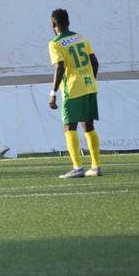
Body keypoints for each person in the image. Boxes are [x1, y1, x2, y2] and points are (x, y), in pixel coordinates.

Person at [48, 9, 102, 179]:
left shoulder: (55, 43)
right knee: (88, 125)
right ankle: (95, 166)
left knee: (69, 127)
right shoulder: (81, 37)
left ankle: (77, 167)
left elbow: (59, 67)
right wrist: (89, 79)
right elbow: (95, 62)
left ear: (53, 25)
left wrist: (53, 92)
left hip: (73, 88)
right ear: (68, 22)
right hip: (89, 86)